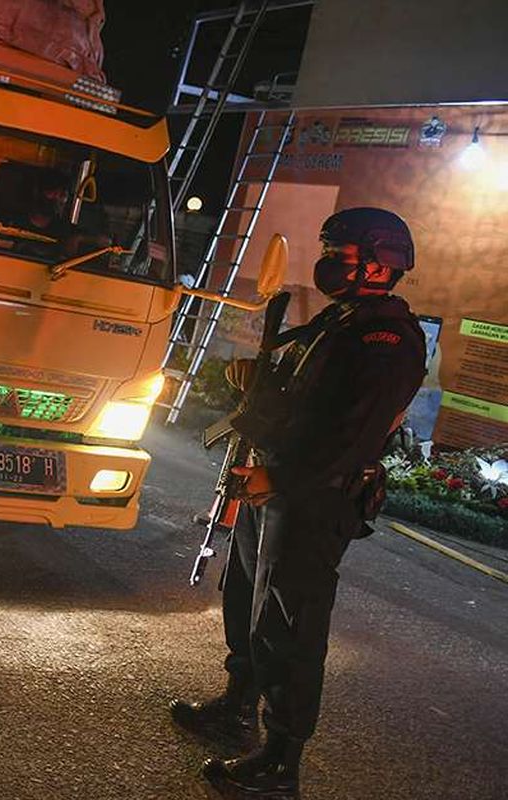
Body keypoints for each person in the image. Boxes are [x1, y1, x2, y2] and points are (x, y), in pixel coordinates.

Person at [170, 207, 427, 799]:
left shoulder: (386, 337)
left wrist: (279, 478)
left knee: (291, 627)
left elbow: (352, 435)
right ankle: (237, 705)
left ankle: (281, 761)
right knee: (246, 601)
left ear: (376, 263)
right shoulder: (345, 321)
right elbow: (310, 403)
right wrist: (256, 384)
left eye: (340, 253)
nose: (328, 262)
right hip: (278, 487)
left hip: (313, 499)